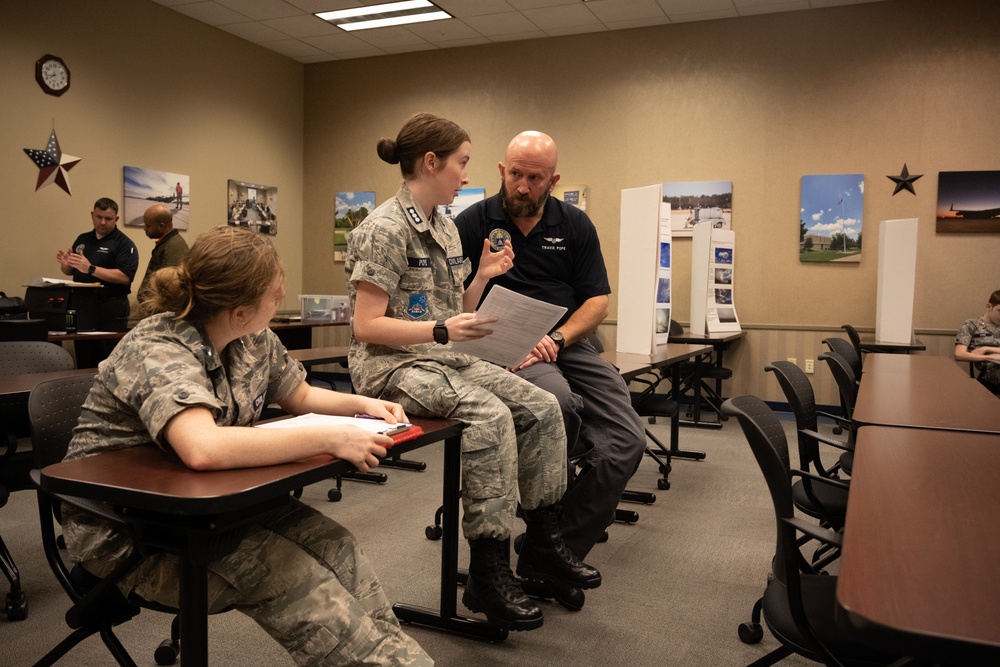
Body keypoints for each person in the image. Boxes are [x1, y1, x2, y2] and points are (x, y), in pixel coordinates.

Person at [62, 226, 432, 666]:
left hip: (210, 509)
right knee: (293, 577)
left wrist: (365, 404)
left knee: (340, 548)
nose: (282, 298)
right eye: (276, 293)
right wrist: (329, 436)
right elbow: (203, 448)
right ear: (239, 311)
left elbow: (300, 394)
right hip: (132, 534)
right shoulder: (158, 347)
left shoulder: (250, 336)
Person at [345, 113, 601, 631]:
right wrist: (441, 330)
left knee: (541, 405)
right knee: (489, 416)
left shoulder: (442, 224)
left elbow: (453, 307)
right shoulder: (382, 229)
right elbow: (367, 326)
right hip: (388, 367)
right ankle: (487, 569)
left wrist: (482, 276)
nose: (467, 175)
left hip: (437, 356)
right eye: (462, 163)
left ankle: (544, 542)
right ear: (431, 162)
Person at [454, 131, 645, 609]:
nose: (521, 185)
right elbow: (450, 305)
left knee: (627, 442)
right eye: (514, 173)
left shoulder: (574, 224)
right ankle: (541, 531)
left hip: (563, 341)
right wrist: (481, 281)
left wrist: (557, 338)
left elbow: (597, 300)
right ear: (502, 170)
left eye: (533, 178)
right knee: (558, 405)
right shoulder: (472, 222)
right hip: (501, 346)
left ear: (552, 180)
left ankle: (548, 554)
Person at [56, 197, 139, 333]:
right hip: (82, 305)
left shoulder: (124, 244)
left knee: (108, 352)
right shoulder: (83, 239)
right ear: (92, 215)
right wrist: (67, 265)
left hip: (110, 307)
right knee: (84, 351)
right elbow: (70, 271)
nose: (103, 222)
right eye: (99, 217)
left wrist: (90, 268)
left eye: (108, 218)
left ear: (116, 219)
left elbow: (125, 277)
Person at [134, 204, 189, 320]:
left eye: (148, 226)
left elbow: (170, 290)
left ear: (161, 226)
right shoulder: (167, 244)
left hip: (164, 317)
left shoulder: (174, 247)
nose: (145, 229)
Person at [955, 288, 1000, 394]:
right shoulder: (971, 325)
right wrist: (989, 357)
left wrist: (986, 348)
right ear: (989, 306)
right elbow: (959, 354)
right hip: (990, 372)